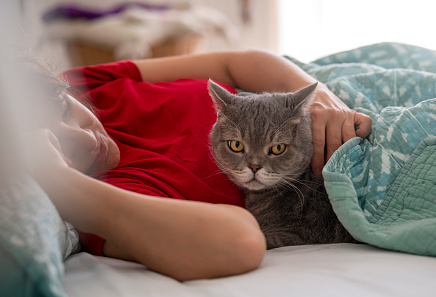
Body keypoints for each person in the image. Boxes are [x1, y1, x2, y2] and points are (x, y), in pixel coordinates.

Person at [29, 49, 372, 281]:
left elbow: (232, 64)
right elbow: (238, 242)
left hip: (316, 94)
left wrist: (318, 96)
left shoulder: (76, 84)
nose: (87, 139)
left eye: (64, 110)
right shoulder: (105, 199)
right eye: (58, 144)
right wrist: (64, 186)